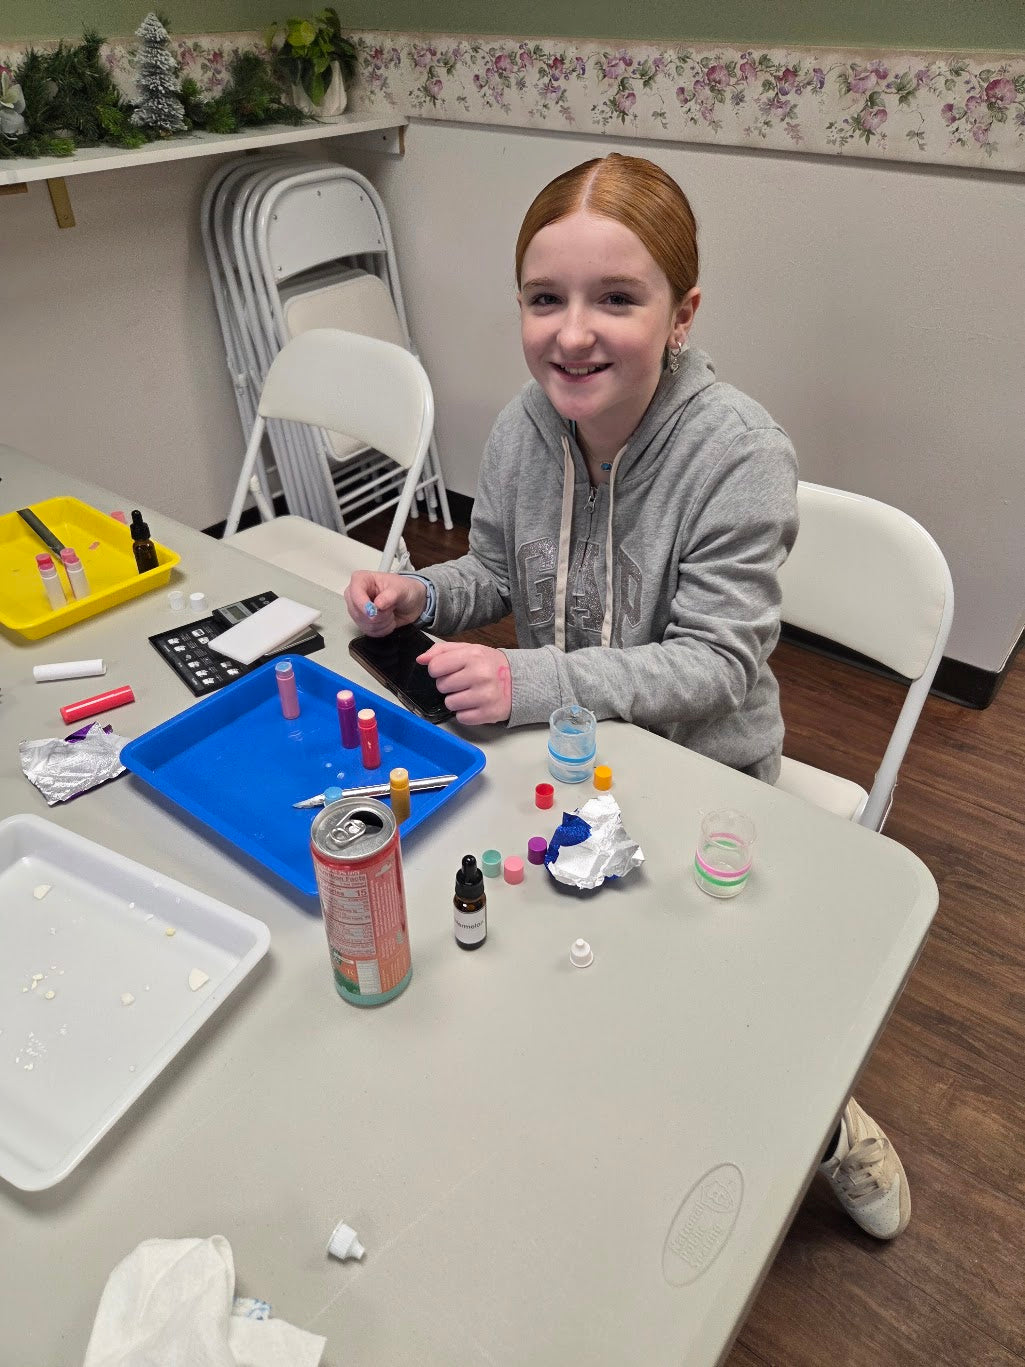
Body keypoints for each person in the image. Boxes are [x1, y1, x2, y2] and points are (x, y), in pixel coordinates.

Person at [344, 153, 909, 1238]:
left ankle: (823, 1115)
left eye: (616, 298)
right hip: (565, 758)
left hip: (702, 772)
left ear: (681, 311)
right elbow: (499, 576)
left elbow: (716, 660)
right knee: (551, 968)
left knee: (723, 1005)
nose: (571, 333)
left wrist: (530, 678)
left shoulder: (738, 454)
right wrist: (416, 593)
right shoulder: (520, 429)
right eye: (543, 298)